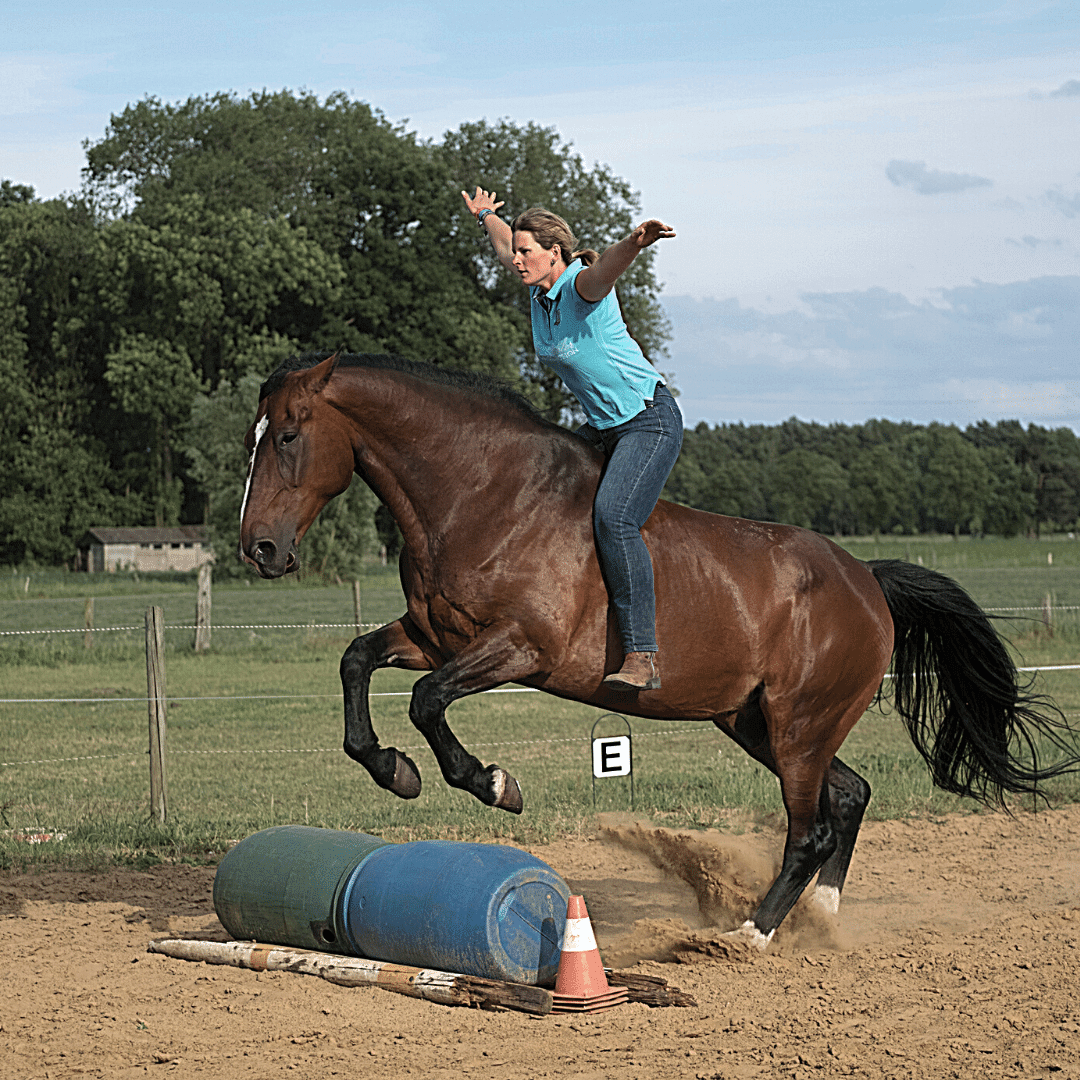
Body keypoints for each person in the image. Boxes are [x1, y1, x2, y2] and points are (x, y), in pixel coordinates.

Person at [461, 186, 683, 691]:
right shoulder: (538, 292)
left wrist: (634, 244)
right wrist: (487, 217)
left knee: (614, 518)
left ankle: (642, 654)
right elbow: (501, 244)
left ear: (554, 254)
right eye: (516, 252)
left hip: (647, 421)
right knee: (538, 492)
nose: (516, 261)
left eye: (527, 252)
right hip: (603, 429)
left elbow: (603, 271)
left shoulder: (581, 288)